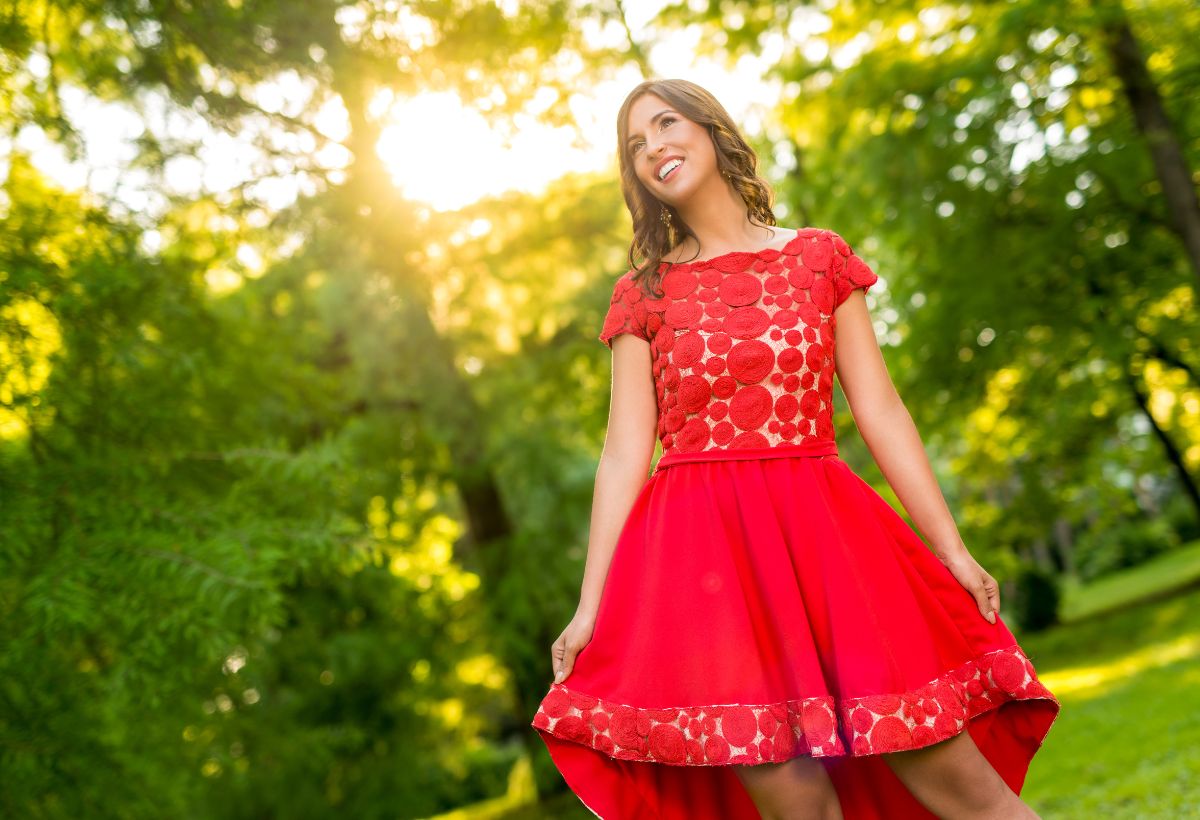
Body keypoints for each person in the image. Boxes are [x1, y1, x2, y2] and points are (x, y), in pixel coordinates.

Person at [530, 78, 1060, 820]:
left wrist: (953, 548)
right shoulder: (642, 292)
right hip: (704, 571)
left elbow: (880, 409)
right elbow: (623, 452)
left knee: (970, 794)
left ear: (712, 130)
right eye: (635, 145)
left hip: (832, 546)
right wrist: (591, 607)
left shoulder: (819, 258)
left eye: (666, 124)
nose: (653, 147)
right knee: (799, 809)